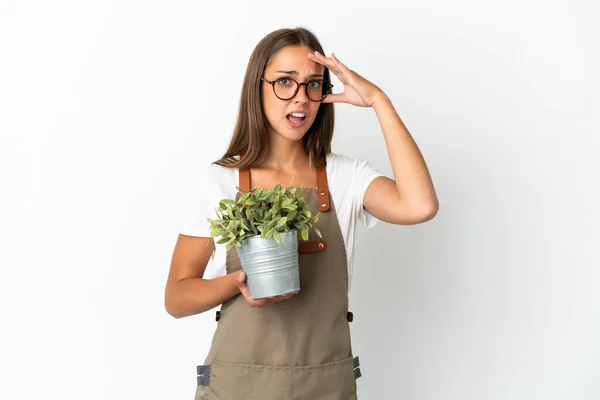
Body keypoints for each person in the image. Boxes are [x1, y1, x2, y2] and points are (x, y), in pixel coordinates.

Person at [165, 27, 439, 399]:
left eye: (313, 84)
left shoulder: (346, 177)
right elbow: (177, 298)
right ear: (257, 87)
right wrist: (238, 282)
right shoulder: (220, 181)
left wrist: (378, 101)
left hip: (325, 386)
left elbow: (419, 205)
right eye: (284, 82)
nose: (301, 98)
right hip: (236, 388)